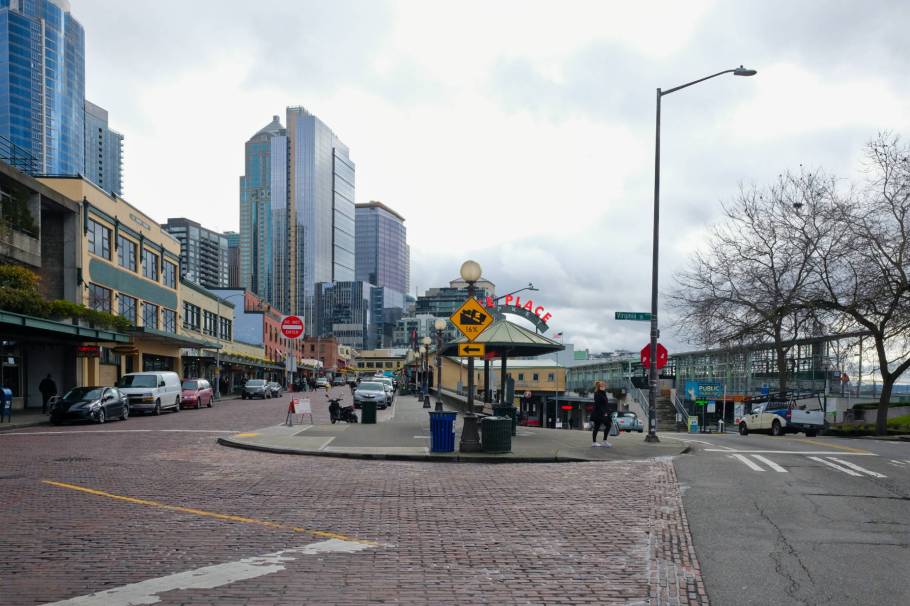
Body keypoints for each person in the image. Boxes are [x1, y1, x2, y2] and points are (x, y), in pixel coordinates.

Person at [591, 381, 613, 447]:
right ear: (599, 387)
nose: (604, 387)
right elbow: (598, 405)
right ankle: (594, 442)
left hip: (604, 413)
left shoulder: (603, 393)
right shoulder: (597, 393)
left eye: (604, 386)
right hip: (598, 413)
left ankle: (604, 441)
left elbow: (605, 404)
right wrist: (604, 413)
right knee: (597, 427)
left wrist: (608, 411)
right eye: (602, 386)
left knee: (608, 425)